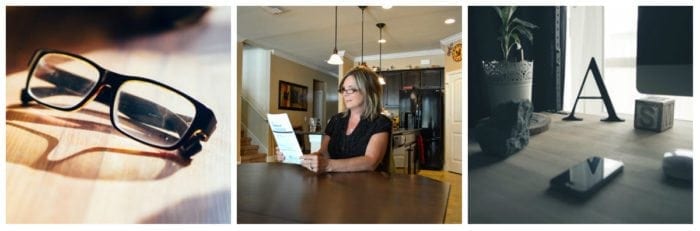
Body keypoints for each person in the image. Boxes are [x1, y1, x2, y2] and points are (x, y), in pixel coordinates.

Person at [276, 66, 392, 173]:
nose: (345, 94)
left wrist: (328, 165)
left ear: (368, 91)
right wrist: (297, 157)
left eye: (351, 89)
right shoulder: (336, 120)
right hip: (335, 187)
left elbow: (371, 162)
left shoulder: (380, 122)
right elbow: (324, 153)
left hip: (367, 188)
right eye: (343, 89)